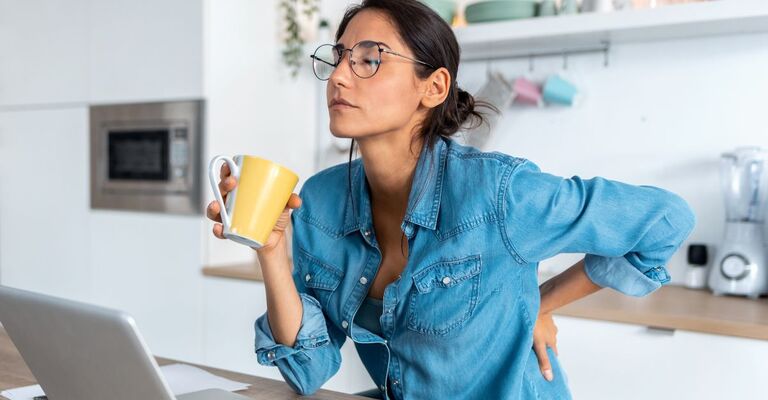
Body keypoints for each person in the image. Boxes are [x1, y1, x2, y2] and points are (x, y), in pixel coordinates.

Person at [205, 1, 696, 398]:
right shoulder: (321, 201)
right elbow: (307, 367)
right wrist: (271, 251)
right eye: (338, 57)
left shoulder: (500, 194)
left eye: (370, 58)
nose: (339, 76)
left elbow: (666, 219)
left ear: (434, 86)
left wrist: (539, 306)